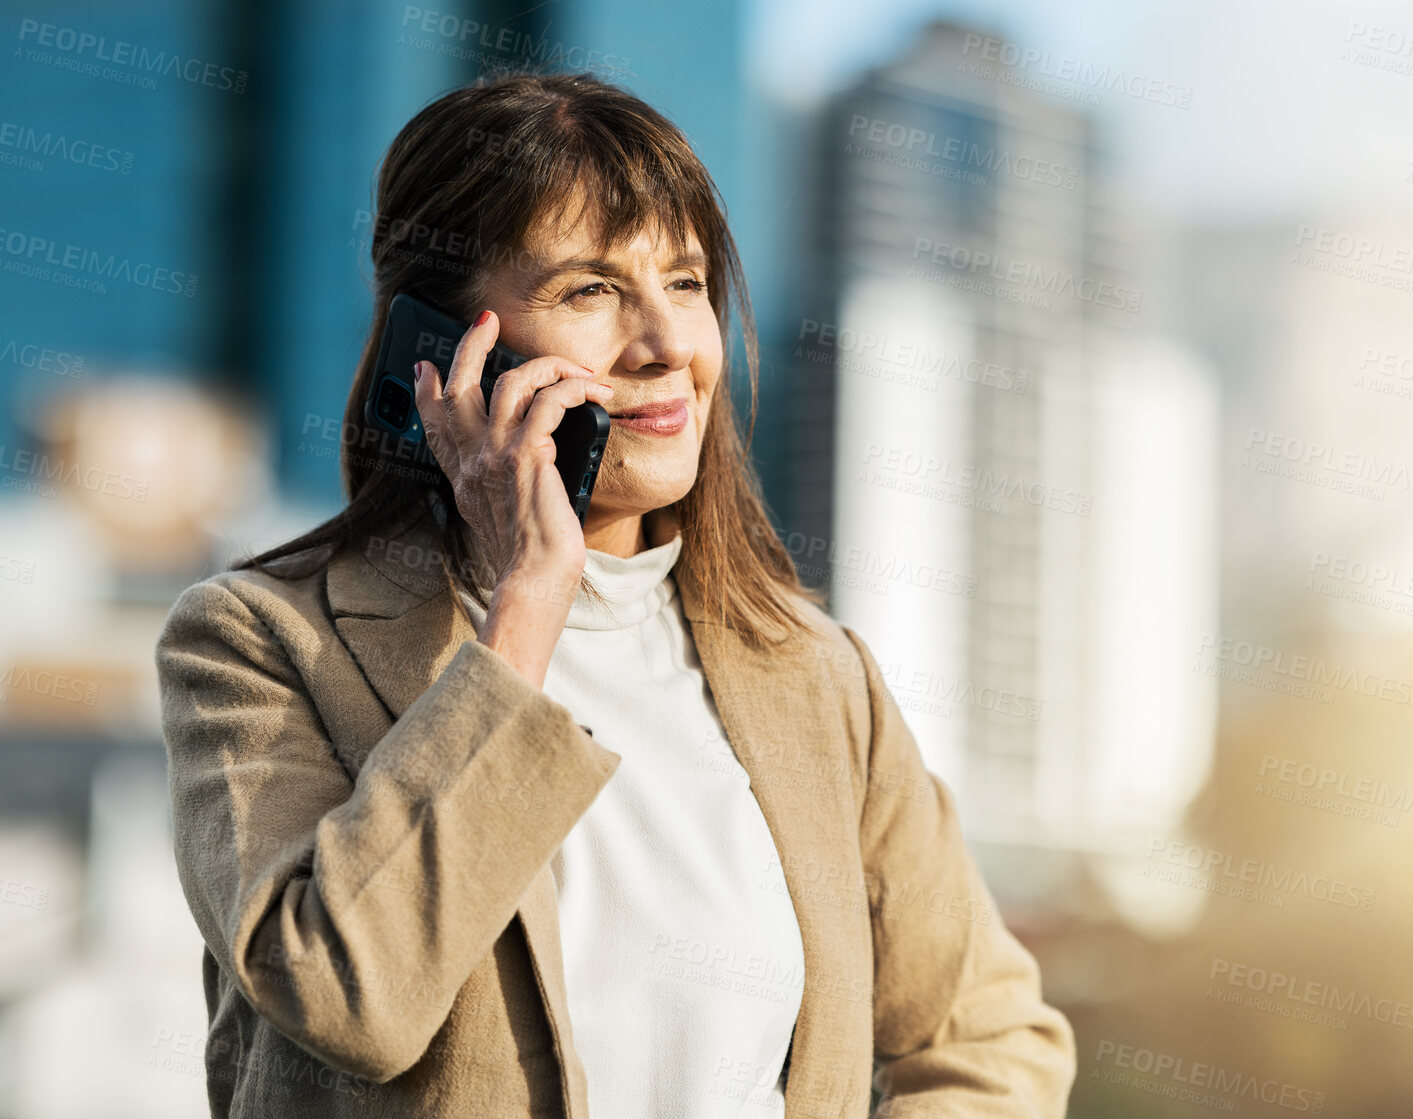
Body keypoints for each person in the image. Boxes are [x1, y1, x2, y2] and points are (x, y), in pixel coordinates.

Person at [153, 68, 1075, 1118]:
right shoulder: (258, 644)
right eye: (590, 291)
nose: (667, 346)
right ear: (441, 351)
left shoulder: (818, 680)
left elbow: (992, 1042)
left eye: (685, 284)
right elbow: (352, 997)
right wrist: (530, 603)